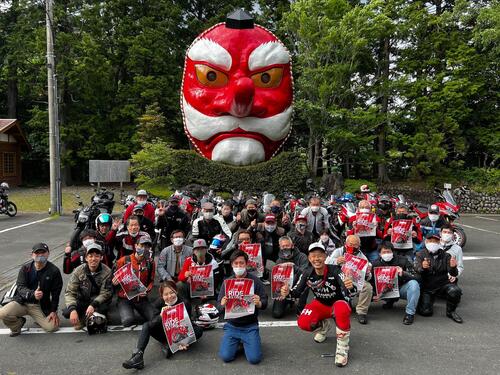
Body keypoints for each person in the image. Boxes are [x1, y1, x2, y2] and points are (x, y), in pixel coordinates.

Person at [280, 242, 356, 367]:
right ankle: (324, 326)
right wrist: (287, 292)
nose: (317, 259)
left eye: (319, 255)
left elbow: (349, 292)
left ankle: (342, 349)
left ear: (325, 257)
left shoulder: (335, 270)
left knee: (341, 309)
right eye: (313, 256)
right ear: (309, 258)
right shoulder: (307, 272)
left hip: (338, 303)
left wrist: (350, 287)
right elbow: (296, 293)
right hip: (320, 303)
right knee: (303, 322)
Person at [122, 280, 203, 369]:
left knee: (199, 330)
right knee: (146, 326)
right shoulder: (158, 303)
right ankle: (138, 356)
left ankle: (171, 346)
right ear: (162, 296)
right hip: (164, 333)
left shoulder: (185, 303)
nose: (169, 296)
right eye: (166, 294)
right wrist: (161, 315)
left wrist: (184, 340)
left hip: (180, 334)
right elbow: (153, 323)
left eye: (172, 292)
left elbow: (188, 324)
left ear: (176, 291)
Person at [0, 243, 63, 336]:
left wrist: (53, 310)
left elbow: (56, 293)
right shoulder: (25, 268)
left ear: (48, 253)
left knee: (52, 327)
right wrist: (32, 294)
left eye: (43, 252)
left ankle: (42, 317)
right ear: (32, 255)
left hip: (40, 305)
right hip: (22, 301)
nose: (40, 255)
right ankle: (18, 324)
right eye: (37, 253)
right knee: (3, 313)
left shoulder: (54, 271)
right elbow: (20, 287)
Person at [218, 250, 268, 365]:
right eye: (236, 263)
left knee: (254, 359)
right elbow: (218, 306)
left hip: (250, 326)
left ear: (246, 264)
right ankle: (240, 342)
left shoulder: (255, 281)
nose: (239, 266)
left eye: (241, 263)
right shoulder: (227, 282)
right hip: (232, 326)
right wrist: (222, 304)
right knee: (226, 357)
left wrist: (259, 303)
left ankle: (251, 341)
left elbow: (265, 302)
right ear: (231, 265)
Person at [63, 243, 113, 330]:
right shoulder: (78, 270)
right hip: (82, 299)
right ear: (86, 258)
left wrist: (93, 305)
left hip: (97, 301)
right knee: (67, 312)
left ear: (101, 258)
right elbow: (70, 292)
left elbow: (106, 293)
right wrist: (72, 309)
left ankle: (92, 316)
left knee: (103, 309)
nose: (93, 259)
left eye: (97, 256)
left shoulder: (107, 271)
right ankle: (84, 317)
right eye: (90, 256)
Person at [415, 234, 463, 323]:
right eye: (430, 241)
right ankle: (425, 301)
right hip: (428, 287)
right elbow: (417, 270)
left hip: (442, 285)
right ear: (426, 242)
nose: (432, 243)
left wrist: (453, 267)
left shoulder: (446, 255)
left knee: (455, 290)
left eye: (435, 241)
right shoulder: (420, 254)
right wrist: (423, 268)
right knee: (425, 312)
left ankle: (451, 312)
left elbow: (453, 273)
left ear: (439, 242)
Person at [326, 235, 373, 325]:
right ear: (346, 244)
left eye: (356, 245)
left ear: (359, 246)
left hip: (354, 279)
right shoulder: (338, 251)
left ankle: (361, 312)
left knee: (367, 287)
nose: (353, 247)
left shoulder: (362, 256)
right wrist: (336, 261)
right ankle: (335, 305)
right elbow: (326, 264)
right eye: (351, 244)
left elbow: (368, 277)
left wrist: (367, 273)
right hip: (339, 277)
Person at [371, 241, 420, 325]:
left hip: (401, 288)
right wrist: (375, 294)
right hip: (385, 291)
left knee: (414, 284)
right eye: (384, 252)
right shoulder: (376, 264)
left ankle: (410, 313)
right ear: (379, 254)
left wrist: (403, 273)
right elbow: (372, 281)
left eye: (389, 252)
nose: (387, 254)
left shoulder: (403, 260)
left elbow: (417, 276)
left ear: (392, 252)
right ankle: (390, 300)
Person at [113, 235, 156, 327]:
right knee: (128, 321)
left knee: (154, 318)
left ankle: (138, 311)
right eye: (142, 245)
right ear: (136, 246)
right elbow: (111, 282)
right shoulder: (123, 260)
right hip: (124, 299)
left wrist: (146, 290)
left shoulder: (150, 262)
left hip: (141, 299)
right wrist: (114, 283)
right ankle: (123, 308)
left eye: (147, 246)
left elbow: (151, 281)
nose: (145, 248)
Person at [272, 236, 309, 318]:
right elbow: (276, 279)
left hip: (299, 286)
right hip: (284, 288)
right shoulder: (279, 261)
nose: (285, 248)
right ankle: (288, 301)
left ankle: (300, 307)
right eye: (283, 246)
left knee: (306, 282)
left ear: (292, 246)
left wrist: (294, 268)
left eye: (287, 246)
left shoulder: (302, 257)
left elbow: (306, 273)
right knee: (277, 314)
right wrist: (277, 293)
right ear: (280, 247)